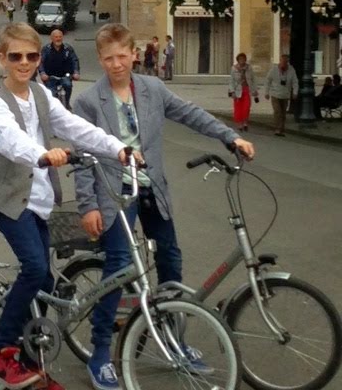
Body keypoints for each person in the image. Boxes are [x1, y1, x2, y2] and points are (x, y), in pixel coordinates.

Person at [73, 23, 255, 390]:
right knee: (119, 269)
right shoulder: (88, 101)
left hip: (152, 189)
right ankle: (99, 354)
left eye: (122, 56)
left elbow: (192, 114)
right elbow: (82, 157)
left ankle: (174, 338)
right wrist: (88, 206)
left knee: (171, 259)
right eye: (109, 58)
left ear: (134, 54)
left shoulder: (152, 89)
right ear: (100, 60)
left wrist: (230, 136)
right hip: (114, 193)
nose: (117, 64)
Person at [0, 23, 128, 390]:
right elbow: (11, 141)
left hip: (39, 200)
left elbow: (75, 126)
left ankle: (31, 360)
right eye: (16, 56)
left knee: (45, 278)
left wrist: (118, 148)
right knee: (33, 267)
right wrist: (43, 154)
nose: (25, 62)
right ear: (2, 58)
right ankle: (2, 352)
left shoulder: (41, 94)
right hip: (7, 200)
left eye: (32, 55)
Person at [39, 29, 80, 109]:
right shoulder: (46, 49)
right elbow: (40, 62)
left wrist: (76, 72)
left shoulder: (68, 48)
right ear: (51, 38)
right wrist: (42, 73)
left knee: (68, 85)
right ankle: (54, 109)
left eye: (60, 37)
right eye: (56, 37)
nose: (58, 39)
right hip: (50, 76)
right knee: (52, 94)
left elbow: (74, 60)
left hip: (65, 75)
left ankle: (67, 103)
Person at [264, 54, 299, 136]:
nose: (284, 64)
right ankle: (277, 128)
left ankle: (282, 129)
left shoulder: (291, 70)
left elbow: (295, 82)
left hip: (285, 95)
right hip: (275, 94)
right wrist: (266, 92)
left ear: (288, 62)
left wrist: (295, 92)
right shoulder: (274, 69)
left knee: (283, 113)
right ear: (280, 61)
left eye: (286, 62)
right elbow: (267, 81)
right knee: (277, 112)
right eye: (283, 62)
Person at [228, 53, 258, 131]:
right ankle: (240, 124)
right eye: (240, 59)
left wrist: (255, 90)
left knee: (246, 107)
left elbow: (253, 79)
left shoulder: (249, 68)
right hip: (237, 90)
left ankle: (245, 122)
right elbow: (231, 81)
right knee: (238, 108)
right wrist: (232, 91)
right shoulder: (234, 68)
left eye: (243, 59)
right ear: (238, 60)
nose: (242, 60)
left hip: (247, 89)